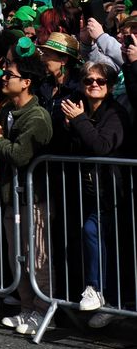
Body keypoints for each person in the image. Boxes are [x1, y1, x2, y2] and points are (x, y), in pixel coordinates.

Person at [0, 39, 53, 336]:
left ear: (26, 82)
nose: (3, 78)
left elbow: (20, 155)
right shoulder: (9, 110)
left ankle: (43, 310)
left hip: (35, 198)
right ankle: (26, 308)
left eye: (9, 75)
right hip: (12, 196)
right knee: (17, 256)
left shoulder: (37, 117)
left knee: (38, 258)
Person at [61, 61, 128, 328]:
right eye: (89, 81)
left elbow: (101, 145)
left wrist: (78, 121)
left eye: (100, 82)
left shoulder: (115, 112)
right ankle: (107, 298)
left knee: (94, 233)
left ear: (110, 86)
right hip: (87, 190)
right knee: (96, 240)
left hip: (113, 193)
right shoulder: (79, 107)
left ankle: (100, 291)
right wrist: (71, 124)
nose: (94, 85)